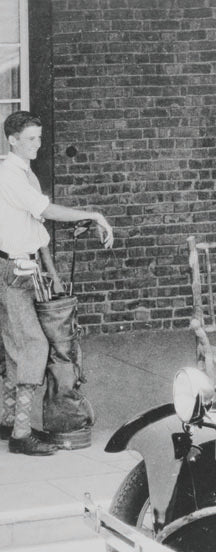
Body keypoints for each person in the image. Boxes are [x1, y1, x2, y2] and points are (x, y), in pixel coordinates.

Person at [0, 111, 114, 455]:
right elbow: (45, 212)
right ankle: (20, 435)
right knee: (32, 345)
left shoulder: (24, 173)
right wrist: (92, 215)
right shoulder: (10, 174)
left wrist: (52, 273)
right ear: (12, 140)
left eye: (39, 137)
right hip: (12, 272)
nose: (38, 144)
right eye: (31, 139)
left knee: (15, 346)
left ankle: (8, 422)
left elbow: (37, 233)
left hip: (25, 269)